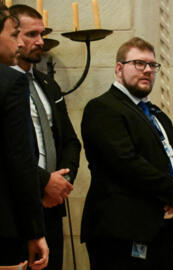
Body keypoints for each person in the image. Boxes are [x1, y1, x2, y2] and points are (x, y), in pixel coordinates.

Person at [80, 37, 173, 270]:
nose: (148, 71)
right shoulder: (103, 108)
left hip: (161, 225)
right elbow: (126, 163)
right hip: (121, 230)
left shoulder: (155, 113)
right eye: (139, 64)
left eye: (152, 65)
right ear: (119, 68)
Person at [9, 5, 81, 270]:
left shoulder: (47, 84)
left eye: (42, 33)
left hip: (51, 207)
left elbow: (71, 141)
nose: (40, 41)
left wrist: (61, 182)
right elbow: (8, 151)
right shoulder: (4, 85)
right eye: (32, 34)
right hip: (14, 208)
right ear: (12, 35)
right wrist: (43, 182)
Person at [0, 4, 49, 269]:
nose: (18, 43)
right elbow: (19, 158)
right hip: (6, 224)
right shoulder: (11, 82)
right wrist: (35, 231)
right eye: (13, 34)